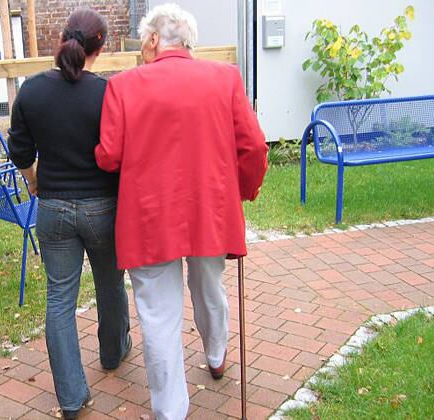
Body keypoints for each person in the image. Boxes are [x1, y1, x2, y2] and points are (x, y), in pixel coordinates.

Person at [95, 4, 268, 419]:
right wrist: (243, 191)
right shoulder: (224, 78)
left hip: (149, 219)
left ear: (154, 40)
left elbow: (108, 157)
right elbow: (255, 147)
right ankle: (215, 352)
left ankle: (171, 410)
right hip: (210, 211)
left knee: (158, 315)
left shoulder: (123, 86)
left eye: (143, 41)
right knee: (210, 287)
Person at [7, 8, 131, 419]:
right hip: (103, 209)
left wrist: (35, 181)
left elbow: (20, 152)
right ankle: (113, 354)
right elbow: (121, 152)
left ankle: (72, 398)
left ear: (61, 38)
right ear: (102, 46)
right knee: (111, 285)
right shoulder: (108, 93)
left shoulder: (31, 91)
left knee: (59, 300)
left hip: (53, 210)